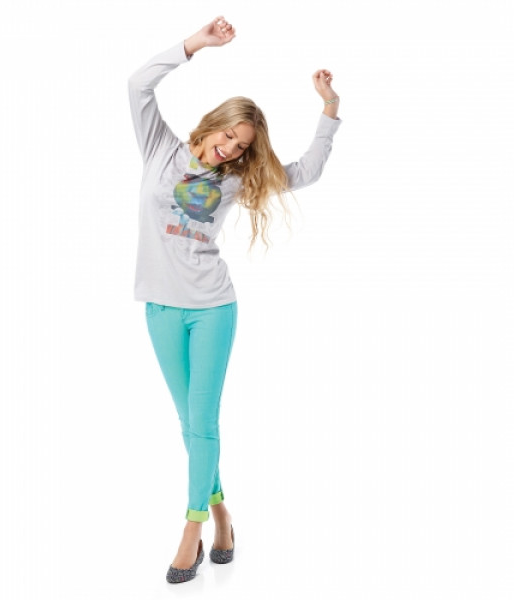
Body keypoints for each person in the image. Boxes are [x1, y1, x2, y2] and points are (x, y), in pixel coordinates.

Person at [128, 16, 342, 584]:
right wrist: (195, 45)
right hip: (159, 308)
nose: (229, 150)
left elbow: (306, 171)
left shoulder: (237, 180)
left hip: (212, 309)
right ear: (213, 124)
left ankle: (192, 528)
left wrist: (329, 109)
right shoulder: (160, 149)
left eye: (241, 147)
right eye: (228, 137)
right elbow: (138, 84)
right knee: (188, 425)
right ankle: (223, 514)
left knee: (202, 422)